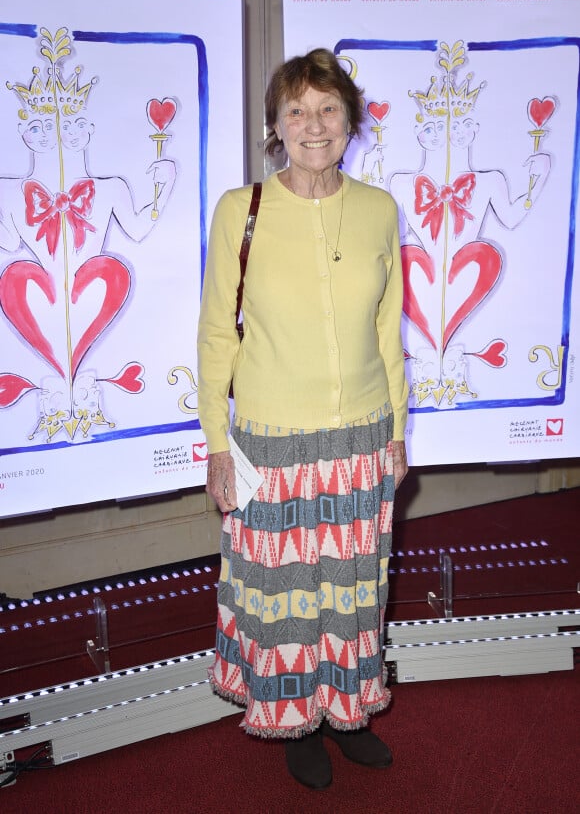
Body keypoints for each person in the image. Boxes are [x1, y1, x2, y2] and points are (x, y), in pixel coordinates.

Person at [197, 48, 409, 790]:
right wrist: (216, 442)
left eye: (328, 109)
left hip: (361, 435)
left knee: (352, 587)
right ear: (276, 126)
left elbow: (389, 333)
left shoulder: (381, 208)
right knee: (288, 595)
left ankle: (348, 707)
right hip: (272, 441)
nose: (313, 125)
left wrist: (398, 433)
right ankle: (297, 724)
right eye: (297, 111)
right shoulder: (241, 210)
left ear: (351, 122)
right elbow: (217, 333)